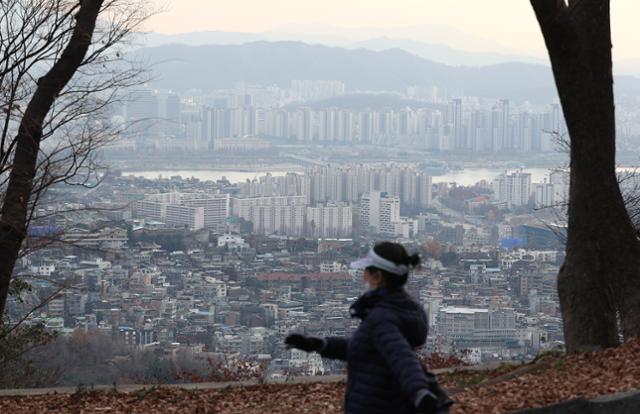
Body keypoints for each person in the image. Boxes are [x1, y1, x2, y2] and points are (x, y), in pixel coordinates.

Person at [285, 241, 452, 414]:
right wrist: (321, 345)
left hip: (374, 405)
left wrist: (420, 393)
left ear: (378, 276)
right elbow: (368, 349)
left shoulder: (381, 317)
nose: (364, 277)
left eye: (366, 272)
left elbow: (402, 357)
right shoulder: (400, 307)